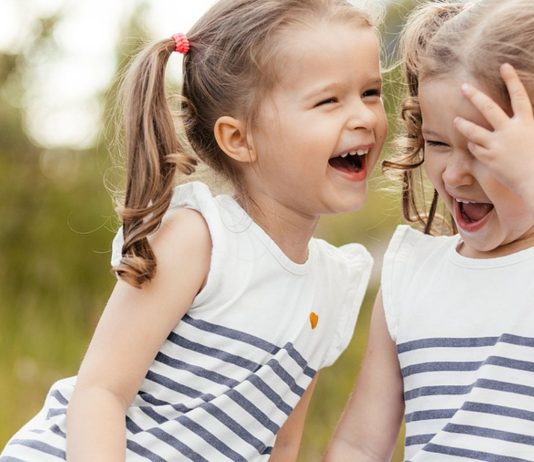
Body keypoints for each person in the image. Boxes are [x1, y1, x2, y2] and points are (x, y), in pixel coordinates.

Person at [0, 0, 387, 460]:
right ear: (239, 139)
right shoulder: (202, 240)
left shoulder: (333, 285)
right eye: (328, 100)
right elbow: (101, 391)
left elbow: (280, 441)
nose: (364, 116)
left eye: (370, 93)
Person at [324, 0, 534, 460]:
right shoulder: (410, 275)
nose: (457, 174)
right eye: (437, 143)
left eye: (485, 149)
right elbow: (359, 444)